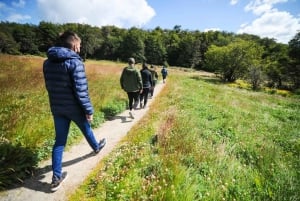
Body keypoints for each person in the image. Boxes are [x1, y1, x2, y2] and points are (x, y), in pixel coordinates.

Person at [43, 31, 106, 192]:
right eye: (79, 44)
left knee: (59, 142)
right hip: (74, 108)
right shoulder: (75, 63)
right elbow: (81, 91)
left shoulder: (47, 63)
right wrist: (88, 110)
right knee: (86, 128)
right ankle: (96, 148)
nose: (80, 47)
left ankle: (56, 178)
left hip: (57, 108)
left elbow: (50, 87)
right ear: (74, 44)